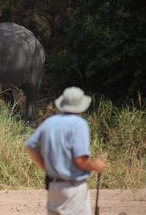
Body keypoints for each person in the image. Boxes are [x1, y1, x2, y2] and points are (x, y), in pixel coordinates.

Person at [25, 87, 105, 215]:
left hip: (53, 187)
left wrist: (45, 167)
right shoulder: (79, 124)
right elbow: (80, 160)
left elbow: (30, 145)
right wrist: (96, 166)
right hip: (73, 189)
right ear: (81, 106)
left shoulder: (49, 122)